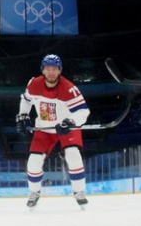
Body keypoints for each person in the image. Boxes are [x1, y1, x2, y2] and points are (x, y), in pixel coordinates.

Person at [17, 54, 90, 209]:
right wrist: (23, 115)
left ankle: (79, 192)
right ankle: (34, 192)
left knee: (73, 155)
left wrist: (70, 122)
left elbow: (83, 112)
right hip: (44, 128)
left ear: (59, 71)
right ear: (43, 70)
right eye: (48, 69)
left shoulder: (69, 88)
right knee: (34, 162)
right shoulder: (34, 84)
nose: (51, 72)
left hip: (66, 127)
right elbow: (26, 99)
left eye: (55, 69)